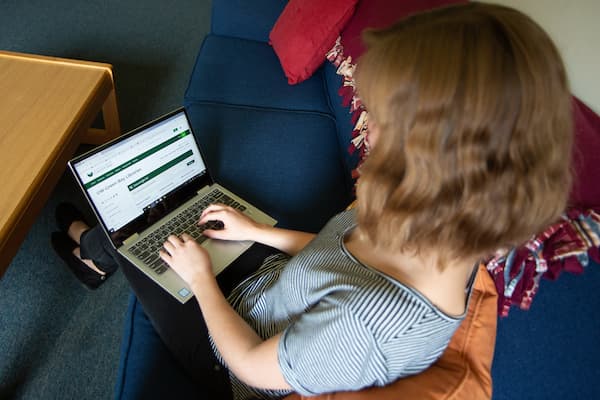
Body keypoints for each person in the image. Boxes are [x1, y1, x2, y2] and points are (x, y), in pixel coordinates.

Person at [51, 2, 573, 399]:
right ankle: (94, 246)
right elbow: (336, 256)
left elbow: (252, 364)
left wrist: (201, 281)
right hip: (274, 291)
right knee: (184, 215)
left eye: (383, 130)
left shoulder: (368, 327)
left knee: (139, 238)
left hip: (231, 351)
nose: (368, 134)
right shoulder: (439, 225)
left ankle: (93, 254)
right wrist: (257, 233)